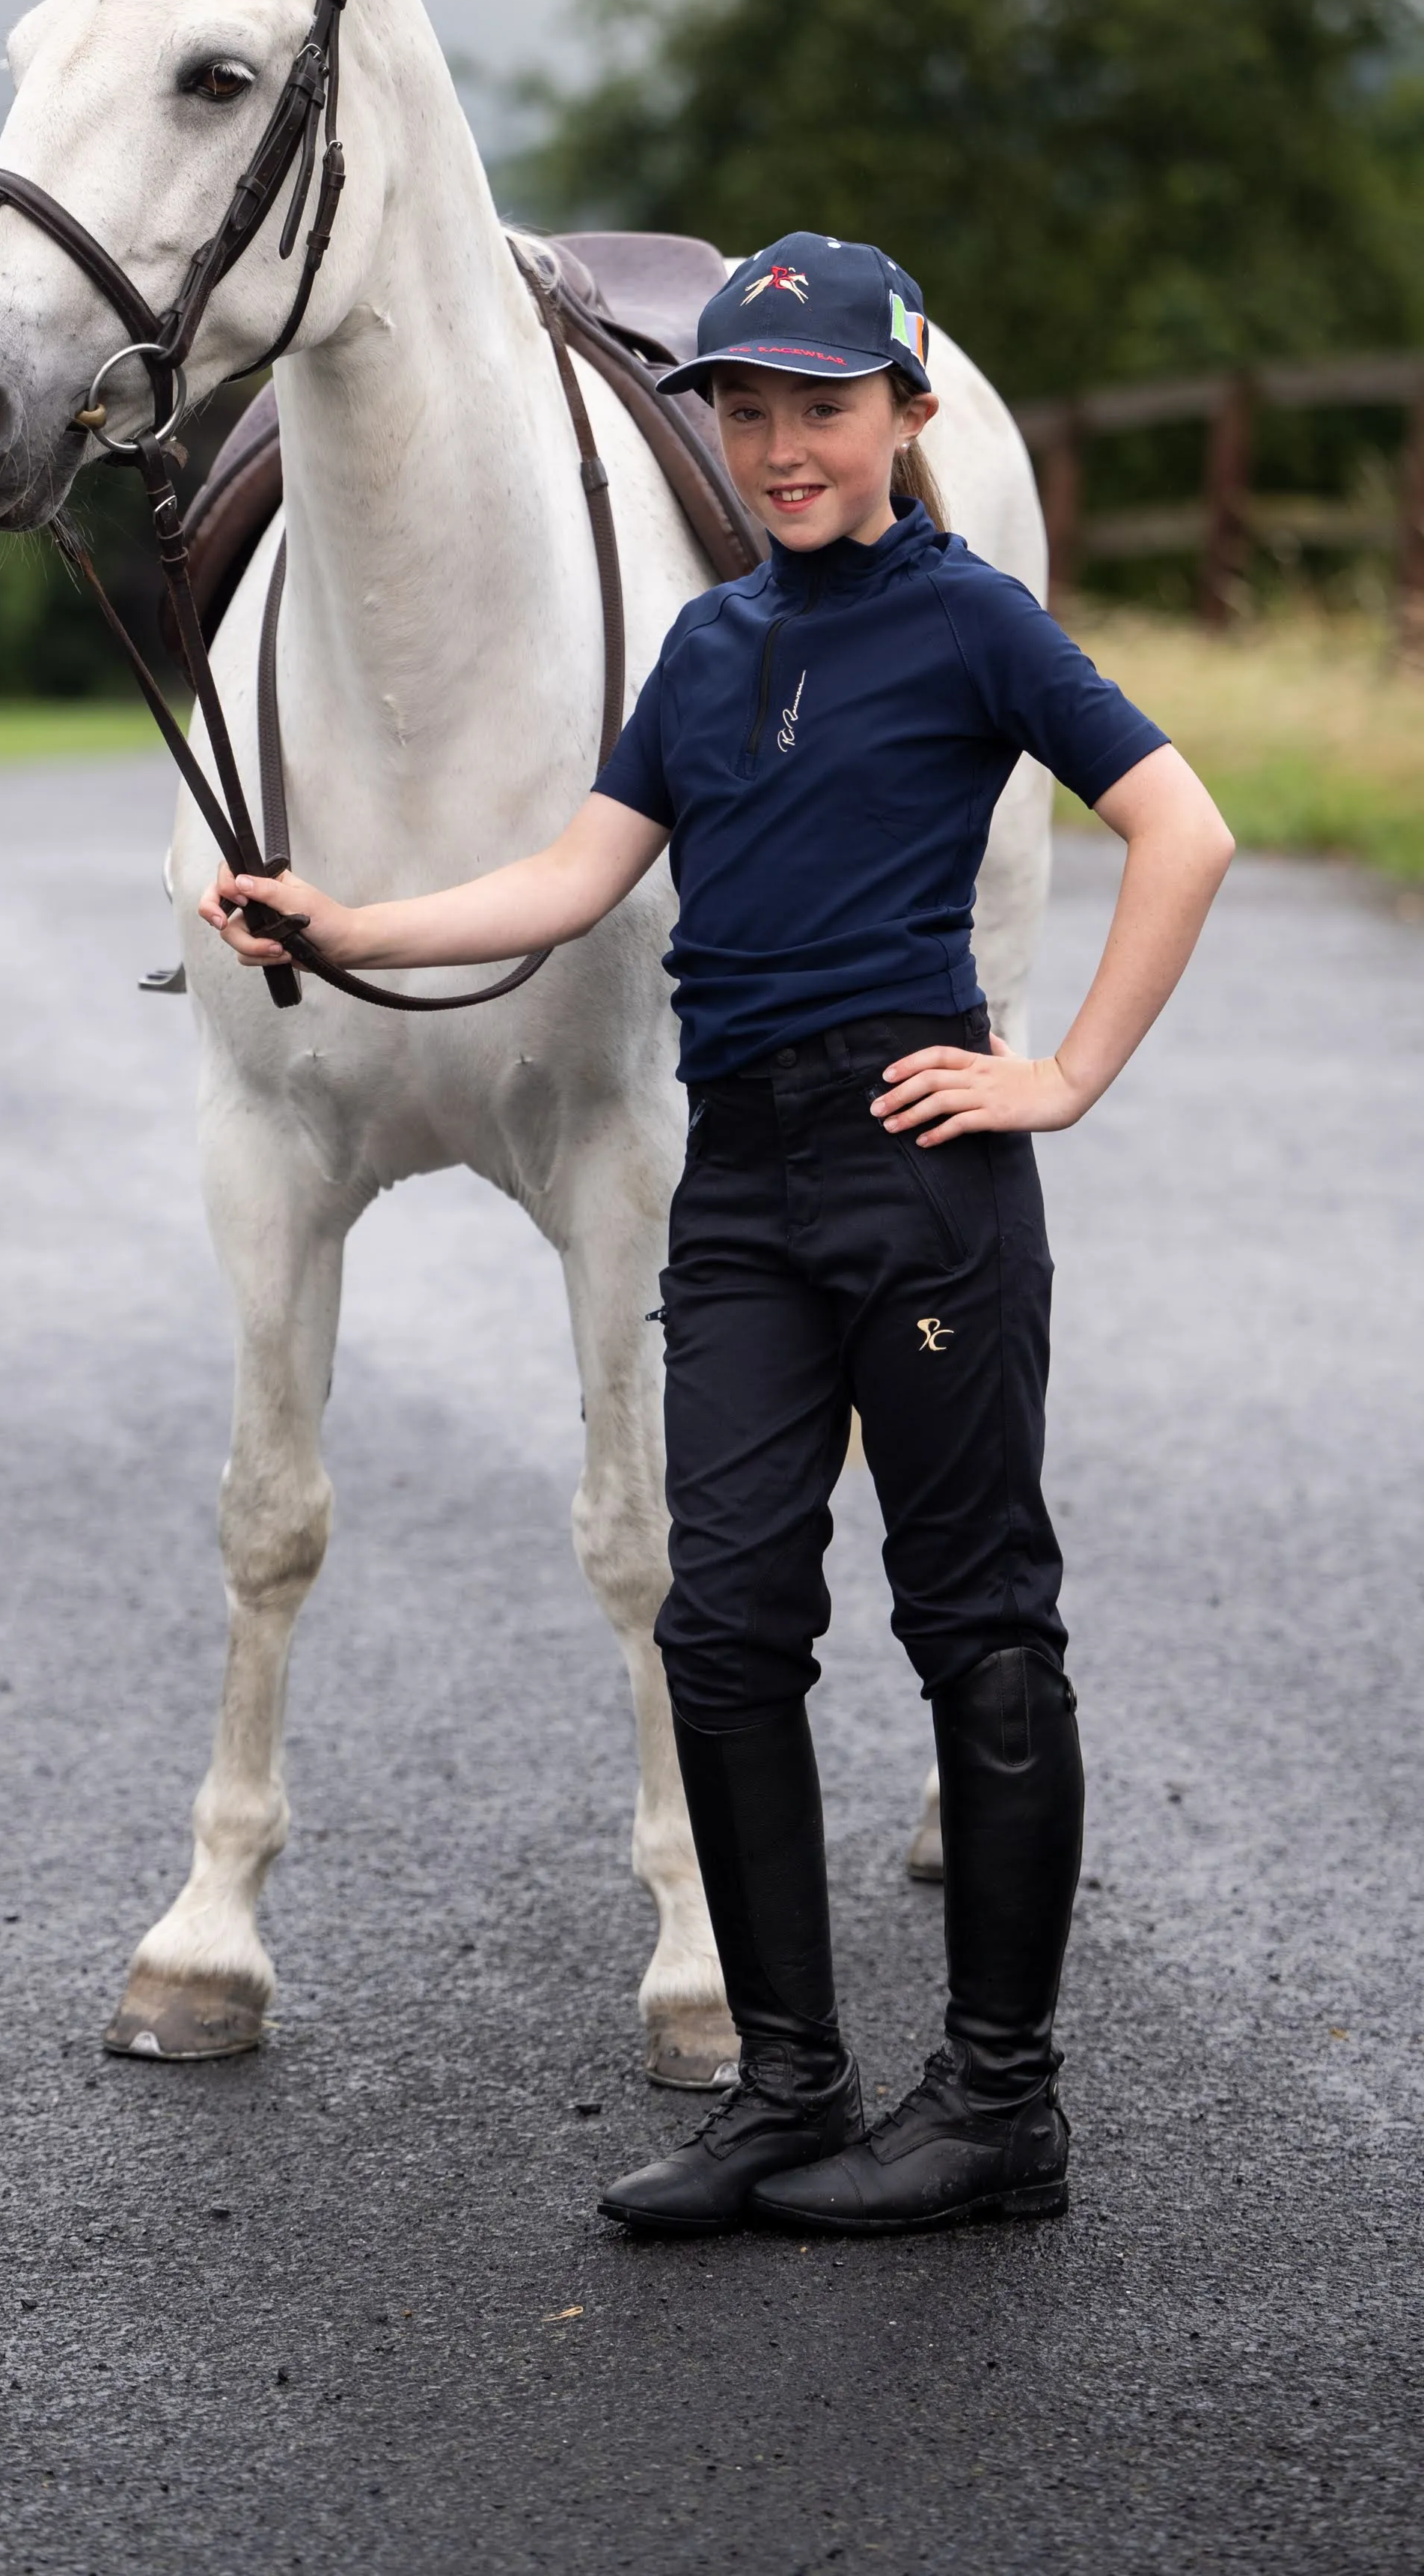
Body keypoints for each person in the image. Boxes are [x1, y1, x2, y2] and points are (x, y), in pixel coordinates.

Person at [200, 232, 1233, 2237]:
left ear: (907, 419)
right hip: (740, 1186)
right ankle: (789, 2088)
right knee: (728, 1620)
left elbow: (1180, 829)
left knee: (980, 1631)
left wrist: (1065, 1077)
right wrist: (342, 921)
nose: (778, 446)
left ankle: (1001, 2106)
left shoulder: (976, 629)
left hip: (921, 1168)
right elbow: (567, 879)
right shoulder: (706, 654)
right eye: (747, 409)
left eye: (820, 408)